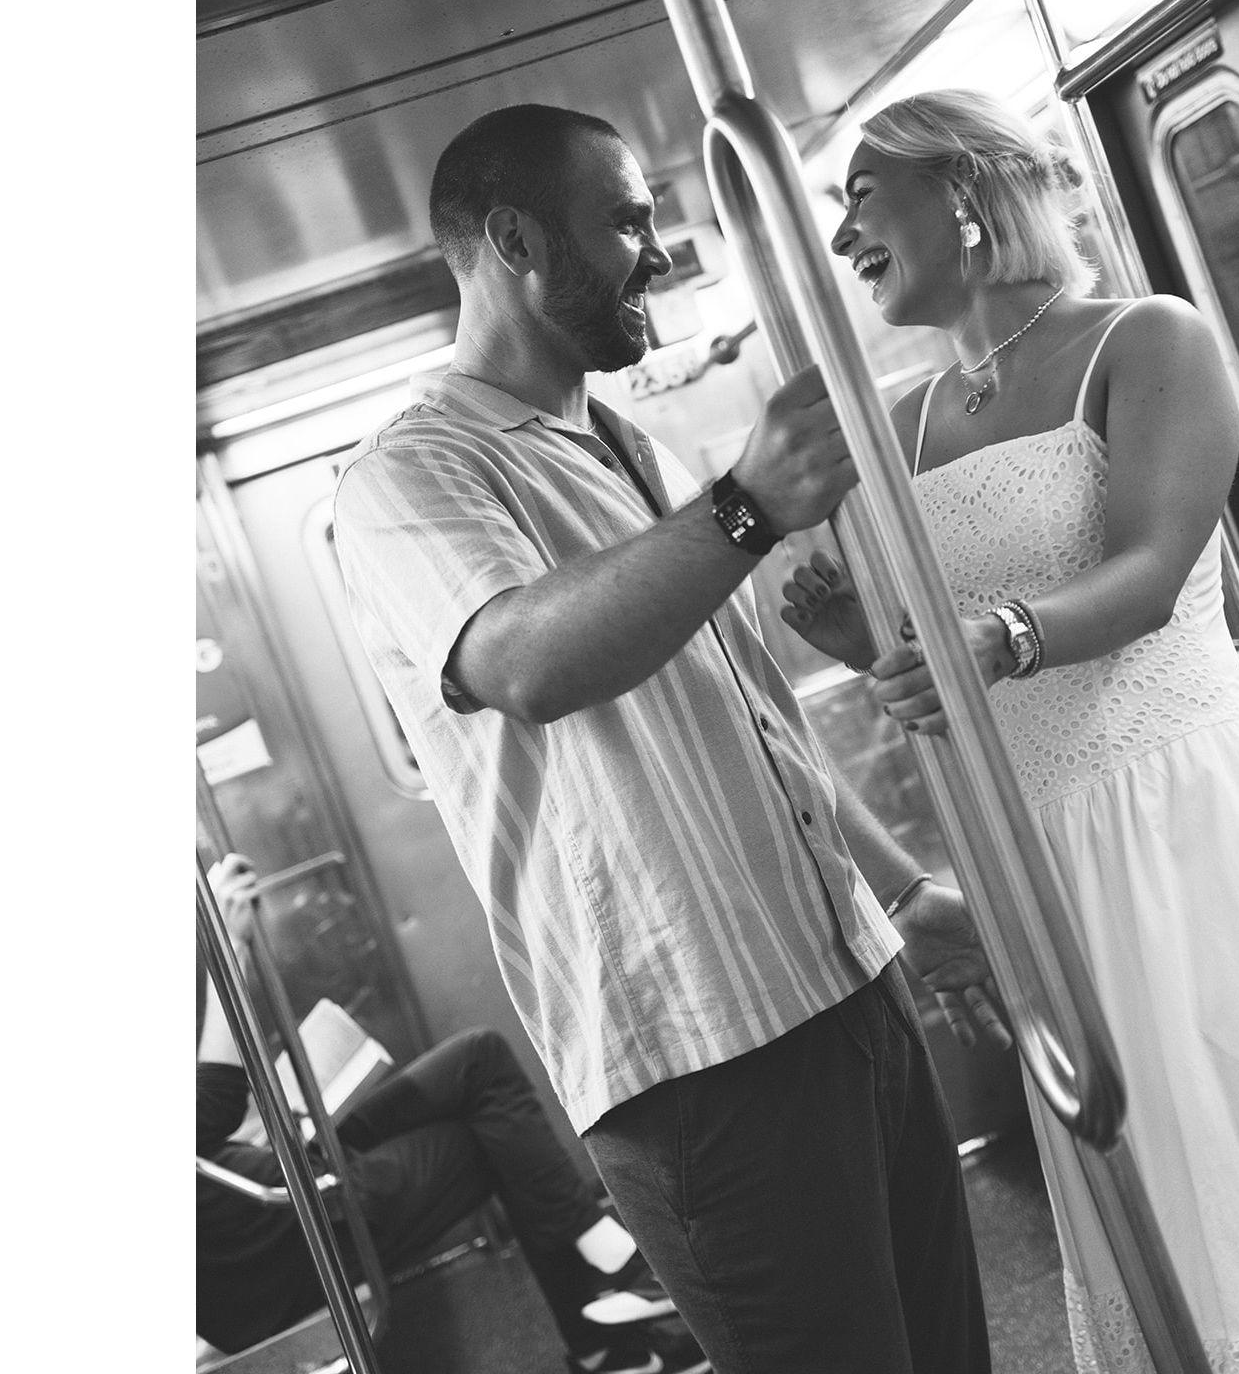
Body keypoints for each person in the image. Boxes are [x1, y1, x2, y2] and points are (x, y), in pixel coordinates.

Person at [331, 103, 1014, 1374]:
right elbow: (526, 662)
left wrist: (897, 890)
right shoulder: (408, 474)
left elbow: (745, 717)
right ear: (515, 241)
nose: (656, 250)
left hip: (840, 979)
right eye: (626, 221)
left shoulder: (628, 447)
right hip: (701, 1052)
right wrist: (749, 504)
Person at [781, 86, 1239, 1373]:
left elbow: (1149, 570)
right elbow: (939, 665)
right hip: (1039, 851)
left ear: (963, 191)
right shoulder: (897, 428)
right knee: (1145, 1185)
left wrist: (993, 639)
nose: (842, 238)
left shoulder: (1144, 339)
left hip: (1180, 807)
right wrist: (873, 651)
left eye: (859, 197)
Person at [198, 853, 707, 1374]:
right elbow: (213, 1104)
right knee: (501, 1136)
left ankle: (609, 1314)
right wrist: (226, 945)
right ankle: (609, 1323)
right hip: (277, 1238)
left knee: (477, 1060)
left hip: (273, 1190)